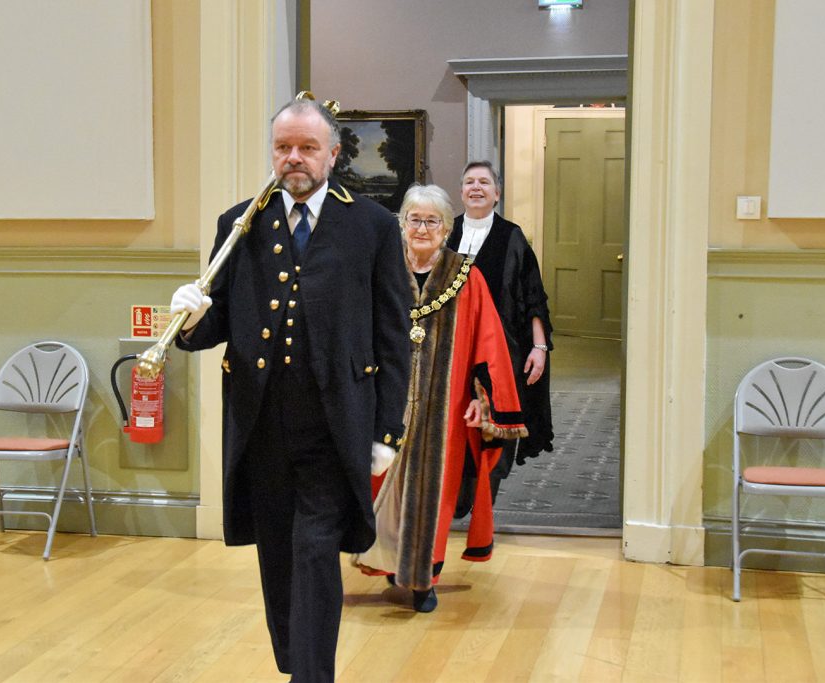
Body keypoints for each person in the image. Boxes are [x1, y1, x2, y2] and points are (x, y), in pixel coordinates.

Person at [169, 97, 412, 682]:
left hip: (334, 426)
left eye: (307, 147)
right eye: (283, 148)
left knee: (314, 555)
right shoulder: (239, 224)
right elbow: (217, 323)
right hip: (262, 426)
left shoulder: (372, 225)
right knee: (278, 555)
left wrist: (386, 429)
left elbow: (393, 336)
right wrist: (192, 317)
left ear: (333, 153)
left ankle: (311, 676)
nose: (294, 159)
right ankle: (295, 664)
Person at [352, 184, 527, 613]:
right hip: (384, 400)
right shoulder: (382, 269)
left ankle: (421, 579)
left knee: (433, 489)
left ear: (447, 227)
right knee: (381, 483)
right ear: (402, 224)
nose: (423, 228)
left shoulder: (467, 277)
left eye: (432, 221)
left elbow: (489, 340)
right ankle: (392, 562)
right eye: (415, 219)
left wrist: (481, 398)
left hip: (443, 406)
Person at [449, 160, 555, 509]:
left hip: (501, 351)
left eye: (484, 182)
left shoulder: (512, 237)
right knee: (458, 424)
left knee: (496, 425)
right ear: (461, 192)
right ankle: (457, 501)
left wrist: (539, 347)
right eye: (469, 182)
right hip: (453, 351)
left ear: (497, 193)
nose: (475, 188)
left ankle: (484, 504)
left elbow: (533, 296)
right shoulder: (446, 234)